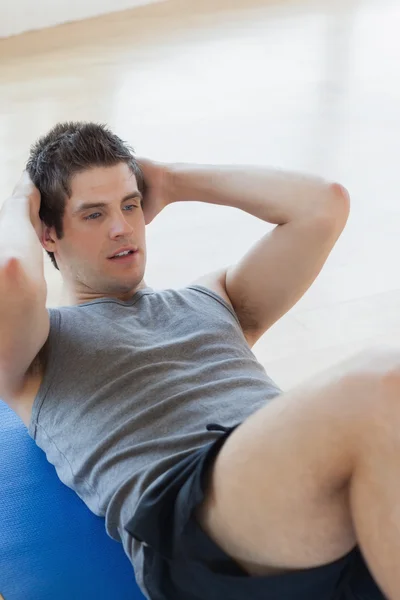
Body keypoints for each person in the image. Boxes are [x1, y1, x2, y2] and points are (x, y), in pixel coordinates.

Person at [0, 121, 392, 600]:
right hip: (186, 524)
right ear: (48, 233)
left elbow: (323, 205)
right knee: (381, 384)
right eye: (93, 214)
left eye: (130, 204)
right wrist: (22, 197)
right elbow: (11, 275)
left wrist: (171, 179)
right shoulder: (36, 350)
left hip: (302, 515)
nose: (122, 227)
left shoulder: (216, 298)